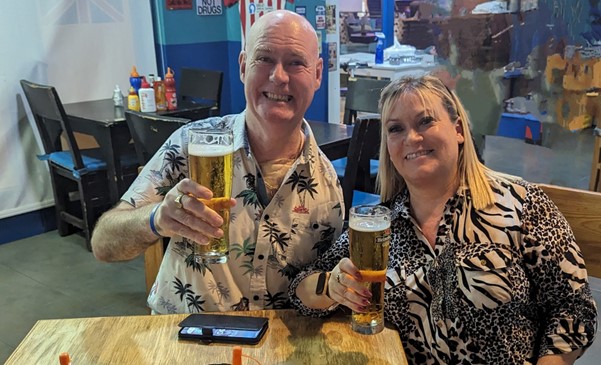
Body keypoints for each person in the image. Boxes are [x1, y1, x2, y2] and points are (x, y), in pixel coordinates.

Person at [289, 75, 597, 364]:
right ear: (388, 148)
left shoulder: (521, 204)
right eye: (395, 129)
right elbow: (300, 289)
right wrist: (332, 285)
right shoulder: (380, 225)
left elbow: (574, 307)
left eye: (425, 121)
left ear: (459, 130)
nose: (411, 137)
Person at [91, 10, 344, 314]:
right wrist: (157, 219)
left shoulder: (329, 188)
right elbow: (103, 244)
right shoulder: (190, 144)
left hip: (272, 348)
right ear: (242, 66)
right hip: (181, 338)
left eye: (295, 62)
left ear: (317, 74)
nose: (278, 76)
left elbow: (319, 295)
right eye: (263, 59)